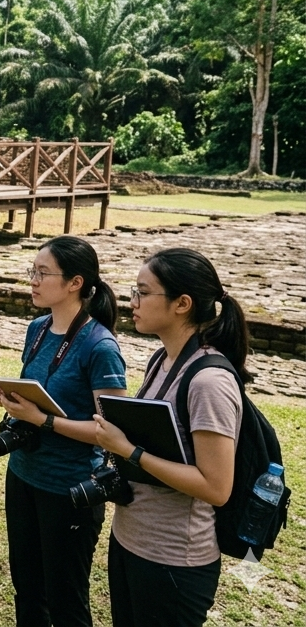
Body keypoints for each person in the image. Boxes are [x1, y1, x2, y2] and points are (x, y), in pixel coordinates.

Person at [94, 248, 246, 627]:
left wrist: (128, 450)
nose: (133, 302)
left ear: (182, 303)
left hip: (174, 559)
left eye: (144, 293)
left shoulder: (209, 382)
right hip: (132, 540)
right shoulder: (161, 360)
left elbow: (216, 487)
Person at [0, 236, 126, 627]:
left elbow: (110, 431)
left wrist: (41, 420)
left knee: (66, 600)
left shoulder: (100, 347)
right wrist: (11, 401)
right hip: (24, 475)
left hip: (69, 488)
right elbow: (41, 393)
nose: (33, 280)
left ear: (75, 283)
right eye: (32, 271)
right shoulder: (38, 327)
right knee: (27, 590)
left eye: (42, 273)